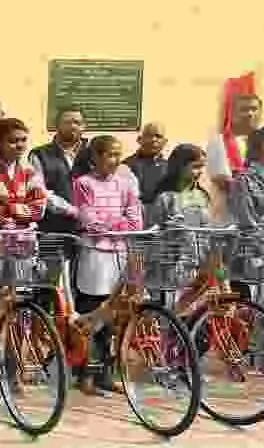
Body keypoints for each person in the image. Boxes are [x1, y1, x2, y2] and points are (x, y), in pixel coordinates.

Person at [0, 117, 48, 391]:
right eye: (12, 140)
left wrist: (8, 207)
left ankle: (13, 372)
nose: (19, 145)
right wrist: (17, 212)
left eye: (23, 140)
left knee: (17, 309)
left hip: (23, 246)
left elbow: (39, 208)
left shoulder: (30, 171)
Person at [72, 135, 143, 395]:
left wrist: (115, 225)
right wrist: (117, 224)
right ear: (95, 157)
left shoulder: (125, 184)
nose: (115, 160)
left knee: (113, 317)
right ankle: (85, 376)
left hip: (119, 254)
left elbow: (135, 220)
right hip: (94, 255)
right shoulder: (83, 184)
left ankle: (105, 374)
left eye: (118, 155)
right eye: (110, 155)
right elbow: (89, 220)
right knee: (91, 313)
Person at [29, 107, 86, 235]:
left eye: (77, 123)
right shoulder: (40, 154)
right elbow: (39, 190)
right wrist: (70, 210)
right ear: (57, 125)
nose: (73, 126)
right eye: (67, 122)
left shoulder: (93, 153)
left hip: (89, 229)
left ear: (84, 126)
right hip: (53, 228)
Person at [206, 92, 263, 193]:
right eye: (244, 110)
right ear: (232, 114)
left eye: (254, 109)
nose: (250, 114)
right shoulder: (218, 143)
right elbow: (222, 180)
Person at [148, 144, 215, 228]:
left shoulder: (202, 195)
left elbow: (207, 227)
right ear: (179, 167)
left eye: (202, 166)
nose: (201, 171)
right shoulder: (165, 198)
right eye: (196, 167)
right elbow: (154, 229)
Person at [124, 122, 168, 206]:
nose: (153, 139)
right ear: (139, 139)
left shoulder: (169, 167)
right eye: (149, 135)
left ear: (165, 142)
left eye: (158, 136)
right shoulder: (126, 165)